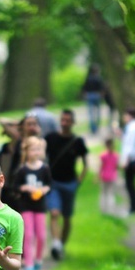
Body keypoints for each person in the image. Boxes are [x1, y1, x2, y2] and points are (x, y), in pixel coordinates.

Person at [44, 109, 88, 260]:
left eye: (67, 120)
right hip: (54, 183)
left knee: (67, 217)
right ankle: (56, 243)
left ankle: (61, 245)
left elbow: (85, 163)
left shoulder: (77, 142)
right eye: (62, 120)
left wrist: (79, 180)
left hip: (70, 183)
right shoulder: (50, 138)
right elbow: (41, 156)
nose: (64, 123)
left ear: (73, 122)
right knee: (55, 213)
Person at [14, 136, 52, 270]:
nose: (35, 152)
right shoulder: (22, 170)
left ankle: (38, 259)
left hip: (40, 206)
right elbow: (16, 186)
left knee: (41, 235)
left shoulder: (45, 168)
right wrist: (26, 188)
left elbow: (49, 185)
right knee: (28, 235)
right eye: (32, 150)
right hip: (26, 206)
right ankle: (28, 263)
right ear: (26, 151)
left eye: (37, 149)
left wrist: (44, 190)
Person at [0, 113, 42, 211]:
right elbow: (1, 120)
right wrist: (19, 123)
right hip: (14, 186)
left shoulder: (40, 142)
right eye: (29, 124)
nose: (31, 127)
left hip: (32, 185)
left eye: (34, 124)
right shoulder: (19, 140)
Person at [116, 107, 135, 214]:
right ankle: (134, 206)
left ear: (131, 116)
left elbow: (130, 146)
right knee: (130, 184)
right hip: (134, 158)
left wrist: (125, 161)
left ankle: (134, 208)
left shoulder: (133, 128)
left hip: (132, 159)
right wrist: (121, 136)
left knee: (130, 184)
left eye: (125, 115)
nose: (124, 117)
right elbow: (128, 142)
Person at [81, 64, 105, 134]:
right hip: (97, 95)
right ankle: (97, 127)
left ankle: (92, 128)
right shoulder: (99, 78)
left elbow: (84, 88)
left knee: (91, 113)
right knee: (98, 113)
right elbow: (102, 88)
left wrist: (85, 95)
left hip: (89, 95)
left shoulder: (88, 78)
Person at [98, 138, 119, 215]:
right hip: (112, 176)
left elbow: (101, 166)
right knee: (111, 193)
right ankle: (111, 210)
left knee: (103, 193)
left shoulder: (103, 155)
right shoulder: (116, 155)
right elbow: (116, 167)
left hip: (104, 176)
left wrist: (98, 175)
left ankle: (103, 210)